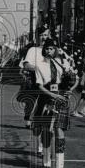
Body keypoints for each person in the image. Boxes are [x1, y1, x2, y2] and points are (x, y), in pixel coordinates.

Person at [33, 39, 78, 168]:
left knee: (59, 130)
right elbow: (39, 86)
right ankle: (46, 158)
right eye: (47, 49)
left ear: (55, 50)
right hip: (47, 97)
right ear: (44, 50)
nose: (49, 51)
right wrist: (52, 96)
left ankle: (60, 165)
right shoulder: (39, 65)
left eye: (52, 49)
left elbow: (75, 78)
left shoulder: (62, 63)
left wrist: (71, 89)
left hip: (62, 97)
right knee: (47, 130)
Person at [18, 26, 51, 154]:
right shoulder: (33, 50)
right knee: (38, 116)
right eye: (42, 35)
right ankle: (40, 145)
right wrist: (38, 68)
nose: (44, 37)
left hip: (50, 87)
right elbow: (26, 65)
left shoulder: (53, 50)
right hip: (36, 85)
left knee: (48, 117)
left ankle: (45, 144)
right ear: (38, 36)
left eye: (46, 35)